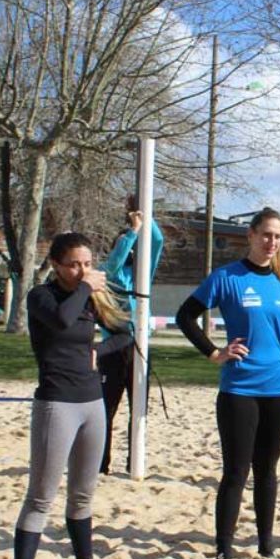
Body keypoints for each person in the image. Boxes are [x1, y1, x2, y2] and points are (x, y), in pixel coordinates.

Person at [177, 207, 280, 559]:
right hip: (240, 389)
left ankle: (265, 545)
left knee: (268, 469)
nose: (271, 242)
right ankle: (223, 548)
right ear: (250, 235)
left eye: (278, 237)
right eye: (265, 235)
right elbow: (186, 316)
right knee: (236, 470)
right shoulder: (227, 277)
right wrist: (215, 352)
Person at [13, 232, 132, 559]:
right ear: (55, 265)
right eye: (74, 264)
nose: (82, 271)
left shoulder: (92, 298)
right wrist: (85, 287)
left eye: (87, 263)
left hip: (91, 400)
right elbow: (62, 320)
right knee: (41, 494)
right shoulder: (41, 297)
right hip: (56, 402)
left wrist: (100, 347)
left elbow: (125, 332)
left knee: (83, 492)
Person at [98, 195, 164, 475]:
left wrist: (145, 214)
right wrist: (132, 231)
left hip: (138, 349)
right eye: (126, 247)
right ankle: (101, 464)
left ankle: (133, 462)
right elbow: (113, 263)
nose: (130, 253)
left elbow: (157, 242)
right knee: (106, 410)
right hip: (113, 348)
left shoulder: (140, 276)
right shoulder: (107, 273)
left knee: (139, 412)